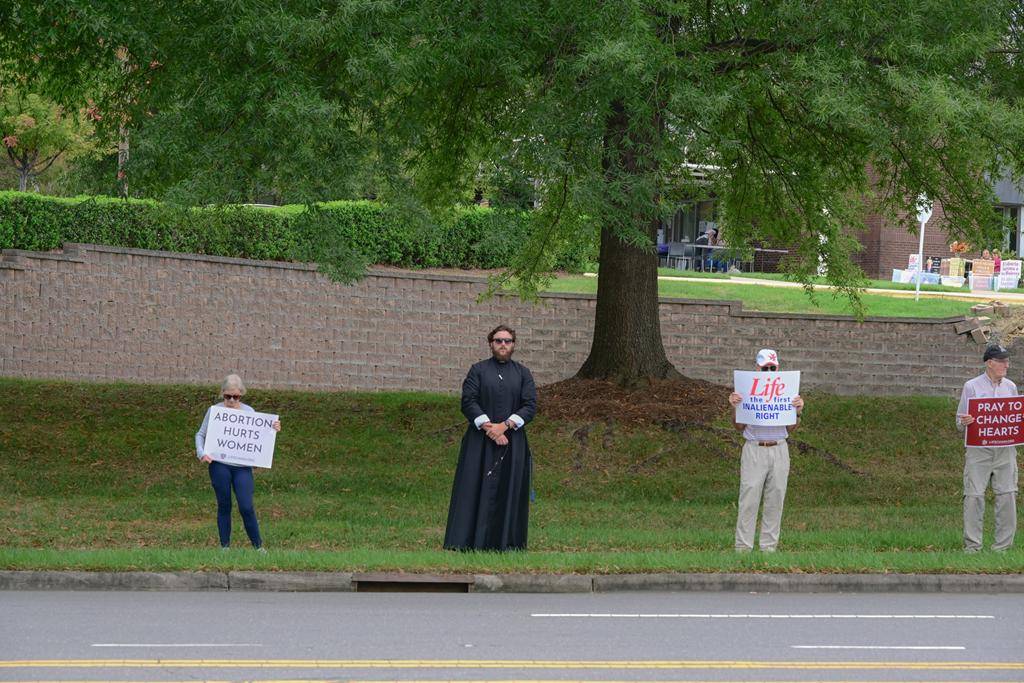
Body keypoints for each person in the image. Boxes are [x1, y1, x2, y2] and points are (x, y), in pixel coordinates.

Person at [444, 325, 537, 551]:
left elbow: (530, 405)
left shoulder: (523, 373)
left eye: (507, 341)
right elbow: (468, 401)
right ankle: (466, 543)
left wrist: (504, 426)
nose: (503, 345)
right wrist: (489, 428)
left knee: (509, 489)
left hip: (512, 443)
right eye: (498, 341)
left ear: (513, 344)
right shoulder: (477, 370)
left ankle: (507, 544)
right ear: (490, 343)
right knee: (473, 488)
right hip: (479, 444)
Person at [728, 349, 804, 552]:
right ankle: (743, 548)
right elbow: (738, 427)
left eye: (772, 368)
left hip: (779, 447)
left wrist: (798, 411)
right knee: (749, 498)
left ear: (777, 367)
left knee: (775, 499)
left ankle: (769, 549)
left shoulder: (788, 390)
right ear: (758, 368)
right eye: (764, 368)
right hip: (754, 448)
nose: (768, 372)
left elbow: (791, 429)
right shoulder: (746, 389)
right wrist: (735, 407)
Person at [195, 374, 281, 551]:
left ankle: (258, 547)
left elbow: (259, 436)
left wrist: (273, 428)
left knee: (246, 506)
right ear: (222, 394)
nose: (232, 400)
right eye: (228, 396)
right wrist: (202, 453)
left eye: (236, 396)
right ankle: (224, 547)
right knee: (224, 504)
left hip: (242, 468)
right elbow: (200, 434)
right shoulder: (214, 411)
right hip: (220, 465)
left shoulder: (249, 412)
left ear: (241, 394)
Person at [955, 344, 1018, 552]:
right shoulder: (971, 386)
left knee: (1007, 495)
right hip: (979, 450)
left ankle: (1003, 547)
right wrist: (965, 421)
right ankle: (973, 547)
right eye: (1002, 361)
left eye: (1007, 361)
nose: (1007, 365)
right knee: (974, 496)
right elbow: (959, 421)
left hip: (1005, 449)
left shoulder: (1010, 387)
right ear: (990, 363)